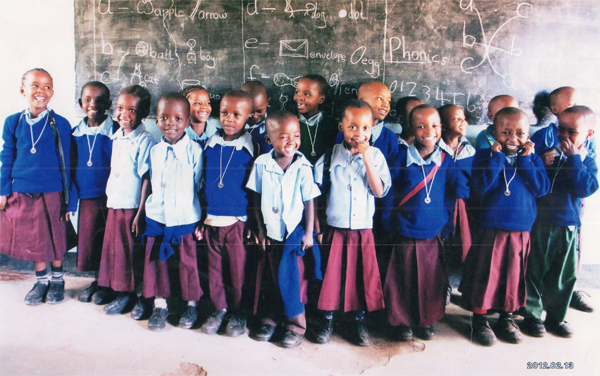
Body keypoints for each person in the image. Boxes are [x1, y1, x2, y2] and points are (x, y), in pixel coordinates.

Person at [460, 107, 550, 346]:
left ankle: (506, 318)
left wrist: (526, 160)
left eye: (520, 133)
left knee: (513, 276)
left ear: (528, 135)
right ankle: (480, 319)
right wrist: (497, 158)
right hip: (492, 227)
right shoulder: (483, 156)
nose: (513, 139)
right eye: (506, 132)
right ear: (494, 132)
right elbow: (481, 188)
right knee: (486, 275)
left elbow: (541, 189)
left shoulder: (532, 158)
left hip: (521, 229)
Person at [382, 104, 467, 341]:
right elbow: (389, 195)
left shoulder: (446, 160)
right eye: (420, 126)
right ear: (410, 128)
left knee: (430, 279)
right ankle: (403, 323)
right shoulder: (400, 158)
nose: (428, 131)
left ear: (441, 127)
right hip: (405, 230)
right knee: (402, 279)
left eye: (434, 126)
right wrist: (389, 222)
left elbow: (454, 192)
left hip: (433, 232)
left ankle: (425, 321)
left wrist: (448, 224)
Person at [313, 99, 390, 346]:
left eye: (365, 128)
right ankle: (327, 319)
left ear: (372, 129)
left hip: (362, 230)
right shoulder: (329, 156)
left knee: (360, 277)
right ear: (341, 127)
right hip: (334, 228)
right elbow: (314, 194)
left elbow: (378, 192)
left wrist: (366, 158)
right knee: (331, 276)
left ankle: (358, 320)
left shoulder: (376, 156)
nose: (359, 133)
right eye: (353, 127)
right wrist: (316, 227)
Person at [520, 106, 598, 338]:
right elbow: (534, 185)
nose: (564, 136)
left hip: (567, 226)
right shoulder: (546, 153)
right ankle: (532, 317)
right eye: (560, 129)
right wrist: (540, 163)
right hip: (540, 223)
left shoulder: (587, 162)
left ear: (589, 134)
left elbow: (585, 187)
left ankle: (556, 317)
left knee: (562, 276)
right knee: (533, 271)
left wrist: (574, 160)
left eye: (571, 131)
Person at [247, 110, 321, 348]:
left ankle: (295, 325)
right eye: (284, 136)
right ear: (269, 140)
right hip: (270, 233)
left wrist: (309, 232)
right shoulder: (261, 164)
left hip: (294, 236)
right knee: (270, 278)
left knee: (293, 280)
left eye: (296, 135)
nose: (291, 141)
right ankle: (271, 319)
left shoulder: (303, 166)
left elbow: (310, 201)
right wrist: (259, 229)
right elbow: (256, 199)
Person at [0, 68, 74, 305]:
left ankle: (58, 280)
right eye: (35, 85)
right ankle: (41, 281)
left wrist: (68, 200)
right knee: (35, 240)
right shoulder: (14, 122)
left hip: (52, 192)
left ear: (52, 92)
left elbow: (67, 163)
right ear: (23, 90)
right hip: (22, 192)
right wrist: (2, 190)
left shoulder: (59, 123)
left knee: (54, 238)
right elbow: (7, 157)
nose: (41, 91)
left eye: (47, 86)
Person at [142, 93, 204, 331]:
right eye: (164, 117)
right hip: (158, 216)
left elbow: (199, 185)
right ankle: (160, 304)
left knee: (188, 263)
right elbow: (153, 181)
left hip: (185, 216)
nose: (171, 123)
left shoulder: (195, 152)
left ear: (187, 121)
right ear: (156, 121)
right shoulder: (155, 151)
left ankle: (191, 305)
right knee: (158, 262)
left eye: (178, 118)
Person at [200, 90, 255, 337]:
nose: (229, 119)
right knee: (214, 270)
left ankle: (238, 311)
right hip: (212, 220)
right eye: (224, 113)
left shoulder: (251, 149)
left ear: (248, 117)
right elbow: (202, 183)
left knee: (237, 271)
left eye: (236, 114)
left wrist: (253, 223)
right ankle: (219, 308)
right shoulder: (210, 145)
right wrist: (202, 216)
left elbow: (256, 192)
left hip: (237, 223)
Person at [99, 85, 156, 317]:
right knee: (114, 248)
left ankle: (128, 293)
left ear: (142, 113)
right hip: (115, 202)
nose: (124, 114)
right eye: (120, 108)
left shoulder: (145, 140)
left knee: (128, 251)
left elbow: (146, 180)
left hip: (132, 206)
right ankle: (113, 286)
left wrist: (140, 212)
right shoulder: (116, 137)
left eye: (131, 110)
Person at [71, 81, 118, 303]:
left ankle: (110, 285)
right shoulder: (75, 133)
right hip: (87, 196)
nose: (93, 104)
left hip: (112, 197)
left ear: (109, 104)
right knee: (91, 241)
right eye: (88, 99)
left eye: (100, 100)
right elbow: (70, 168)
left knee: (111, 241)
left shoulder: (117, 131)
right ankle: (98, 281)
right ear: (80, 102)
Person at [437, 105, 475, 299]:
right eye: (457, 118)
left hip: (463, 206)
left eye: (464, 118)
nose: (463, 122)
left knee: (464, 247)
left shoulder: (469, 149)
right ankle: (442, 288)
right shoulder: (435, 149)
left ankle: (464, 290)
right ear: (443, 126)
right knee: (441, 246)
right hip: (442, 205)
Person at [335, 82, 398, 159]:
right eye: (379, 99)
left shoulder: (390, 137)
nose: (385, 105)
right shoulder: (345, 133)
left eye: (388, 101)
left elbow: (392, 170)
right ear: (362, 101)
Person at [293, 74, 337, 165]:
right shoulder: (290, 124)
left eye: (307, 94)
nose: (299, 97)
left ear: (321, 99)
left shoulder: (331, 126)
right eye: (297, 92)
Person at [241, 80, 271, 155]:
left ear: (267, 102)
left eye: (259, 111)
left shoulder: (274, 126)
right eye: (250, 111)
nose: (254, 116)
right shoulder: (235, 125)